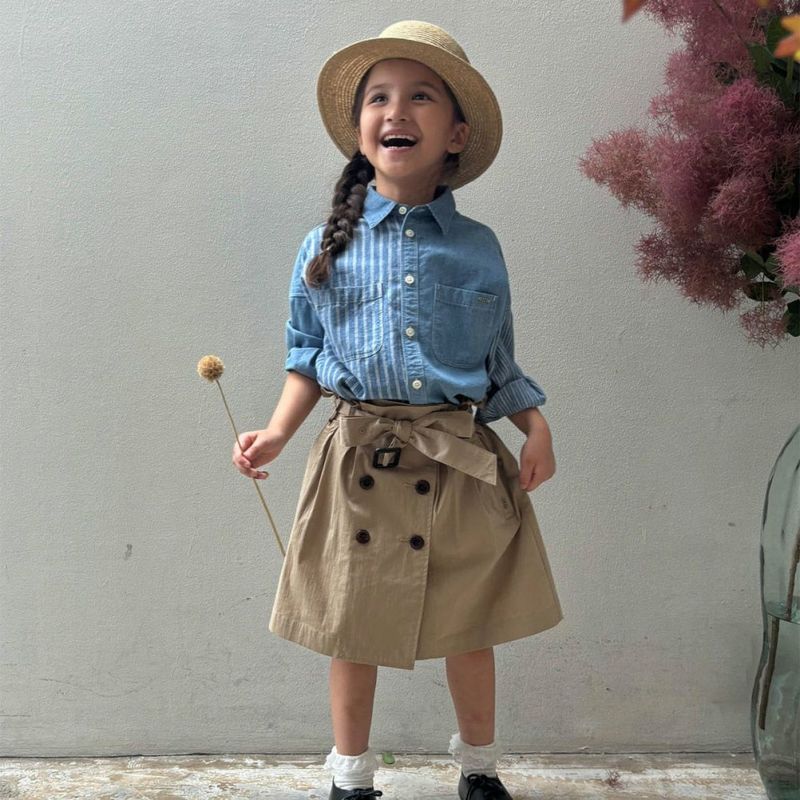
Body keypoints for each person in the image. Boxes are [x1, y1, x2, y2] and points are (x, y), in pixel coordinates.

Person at [232, 20, 564, 800]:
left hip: (460, 466)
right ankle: (351, 778)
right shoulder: (323, 245)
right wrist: (276, 431)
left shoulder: (479, 247)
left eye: (421, 96)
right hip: (358, 464)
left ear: (456, 134)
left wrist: (536, 426)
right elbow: (305, 356)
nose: (396, 110)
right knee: (351, 629)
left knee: (470, 627)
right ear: (360, 130)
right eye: (378, 97)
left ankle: (479, 771)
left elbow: (498, 362)